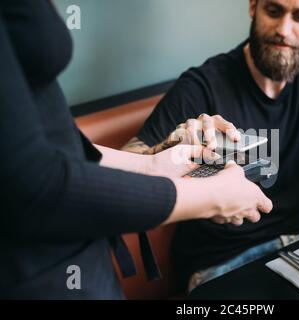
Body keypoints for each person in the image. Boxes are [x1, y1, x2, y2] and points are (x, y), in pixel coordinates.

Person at [0, 0, 272, 299]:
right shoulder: (202, 82)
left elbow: (51, 147)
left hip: (83, 264)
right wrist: (212, 196)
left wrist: (151, 166)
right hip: (35, 276)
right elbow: (35, 182)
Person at [122, 0, 299, 293]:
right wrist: (170, 146)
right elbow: (124, 169)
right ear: (253, 7)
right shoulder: (202, 85)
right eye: (273, 11)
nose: (283, 30)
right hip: (220, 264)